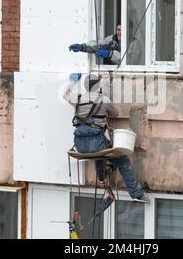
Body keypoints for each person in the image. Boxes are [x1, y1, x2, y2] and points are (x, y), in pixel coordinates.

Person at [64, 73, 149, 203]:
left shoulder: (77, 99)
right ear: (98, 86)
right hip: (97, 143)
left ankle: (102, 178)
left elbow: (65, 95)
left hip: (80, 145)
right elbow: (115, 113)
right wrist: (106, 98)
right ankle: (137, 194)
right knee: (121, 160)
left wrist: (72, 81)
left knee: (100, 155)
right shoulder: (103, 100)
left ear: (85, 86)